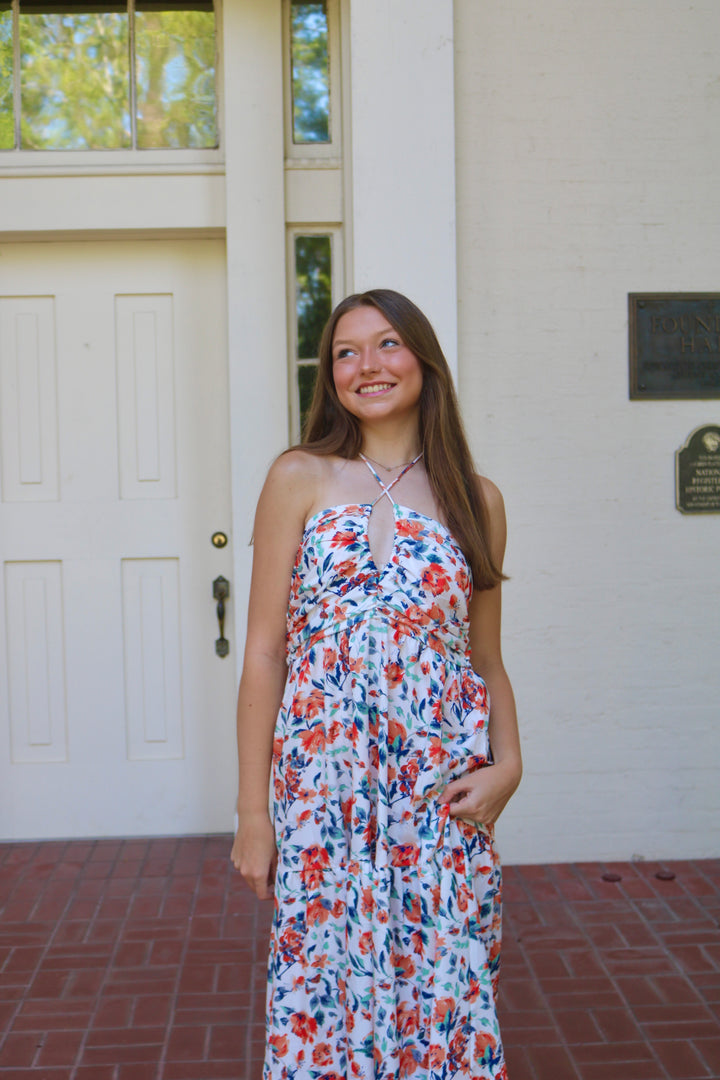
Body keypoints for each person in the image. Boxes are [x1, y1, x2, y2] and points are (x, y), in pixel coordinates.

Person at [231, 289, 522, 1080]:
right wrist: (254, 812)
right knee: (323, 984)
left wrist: (511, 763)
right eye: (346, 352)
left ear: (423, 360)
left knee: (441, 982)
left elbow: (485, 660)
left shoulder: (477, 498)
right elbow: (263, 650)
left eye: (387, 344)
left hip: (437, 789)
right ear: (332, 376)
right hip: (324, 789)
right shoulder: (299, 476)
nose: (367, 366)